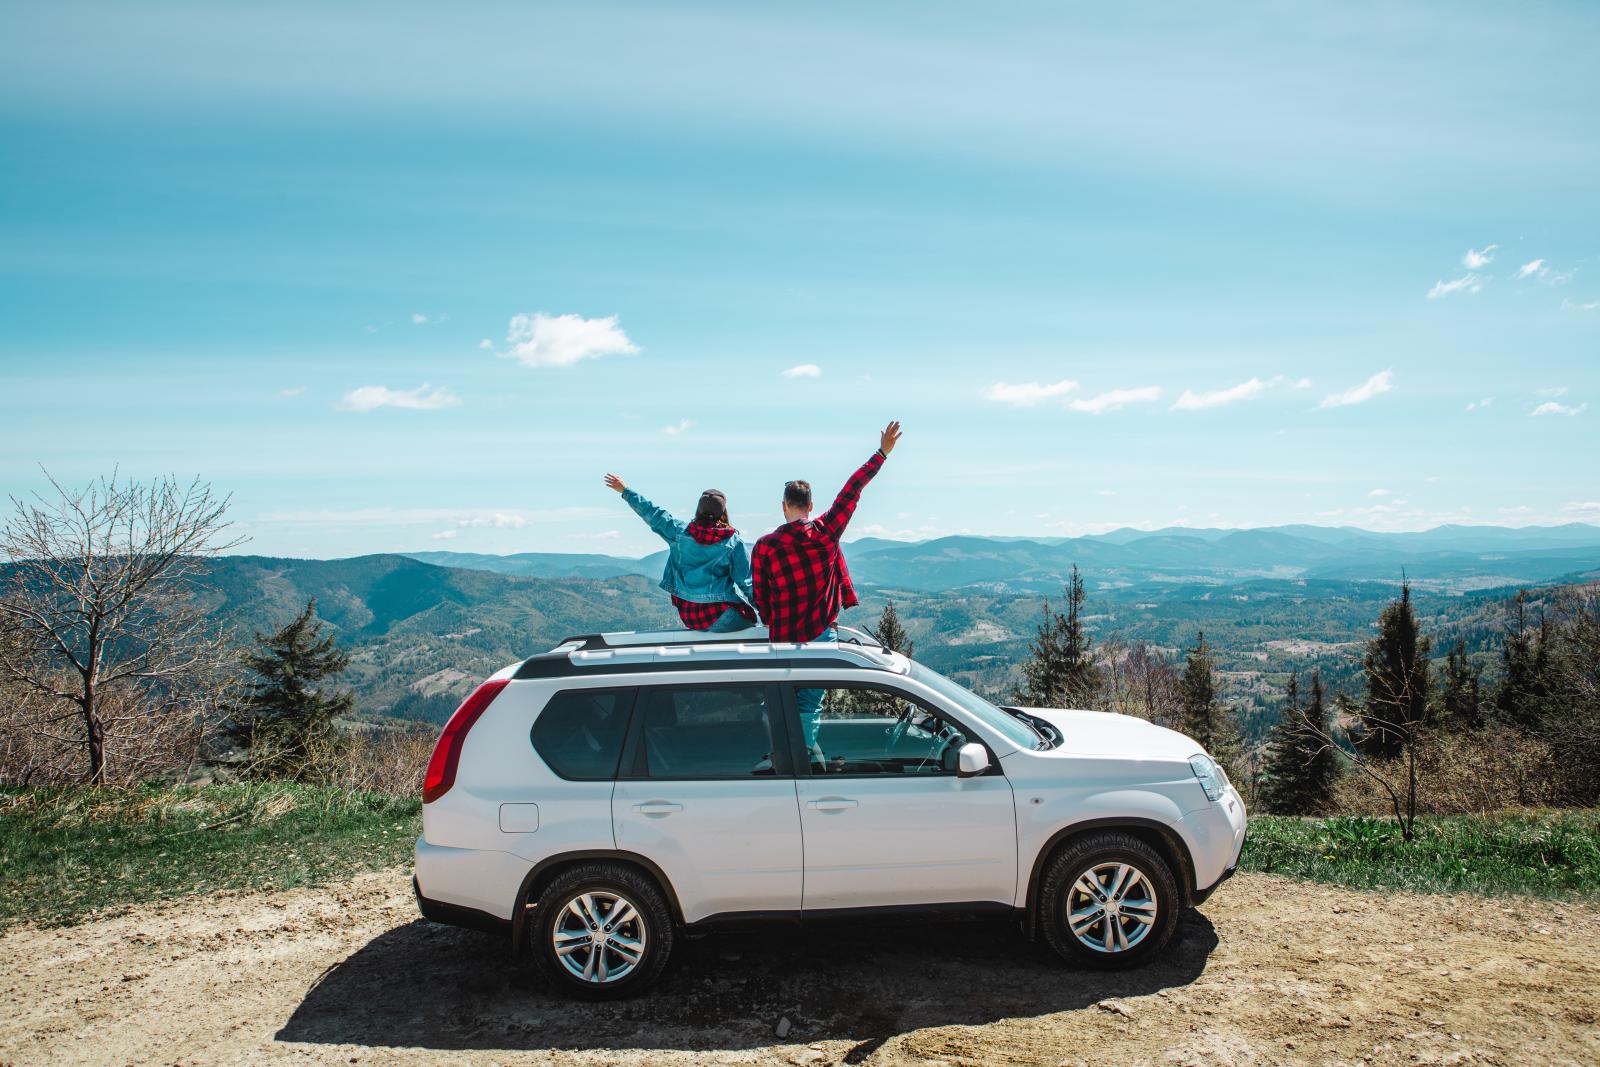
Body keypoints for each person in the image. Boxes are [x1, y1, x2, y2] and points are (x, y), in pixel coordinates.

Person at [751, 421, 902, 754]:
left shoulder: (765, 546)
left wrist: (769, 619)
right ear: (810, 505)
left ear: (784, 506)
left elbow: (760, 594)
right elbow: (852, 489)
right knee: (810, 703)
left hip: (783, 636)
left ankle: (782, 753)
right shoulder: (825, 533)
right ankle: (801, 758)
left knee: (781, 698)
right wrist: (882, 453)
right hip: (821, 634)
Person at [604, 474, 757, 633]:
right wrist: (766, 616)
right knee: (752, 619)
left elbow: (652, 513)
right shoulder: (732, 542)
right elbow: (747, 583)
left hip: (690, 617)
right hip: (719, 615)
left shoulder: (678, 532)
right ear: (722, 513)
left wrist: (625, 490)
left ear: (699, 509)